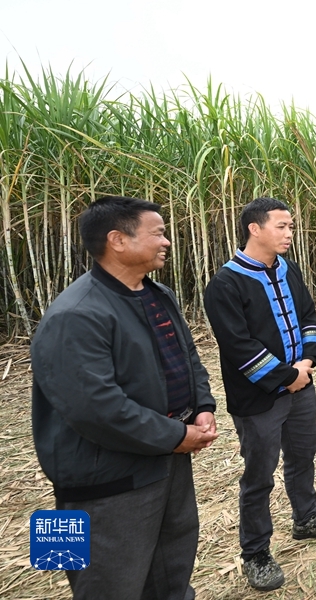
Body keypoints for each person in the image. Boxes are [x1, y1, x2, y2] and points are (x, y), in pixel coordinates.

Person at [31, 196, 218, 600]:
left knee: (171, 572)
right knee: (106, 585)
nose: (166, 241)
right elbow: (96, 409)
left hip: (166, 462)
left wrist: (202, 407)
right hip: (104, 483)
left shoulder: (158, 294)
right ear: (117, 240)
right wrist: (175, 435)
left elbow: (187, 356)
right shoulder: (74, 315)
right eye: (158, 233)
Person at [204, 197, 316, 592]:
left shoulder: (287, 268)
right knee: (258, 474)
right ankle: (256, 552)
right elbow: (238, 346)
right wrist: (286, 377)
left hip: (301, 385)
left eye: (291, 226)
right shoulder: (225, 283)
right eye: (281, 226)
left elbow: (307, 317)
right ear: (255, 228)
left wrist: (307, 362)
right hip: (258, 397)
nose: (289, 233)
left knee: (302, 455)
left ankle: (306, 517)